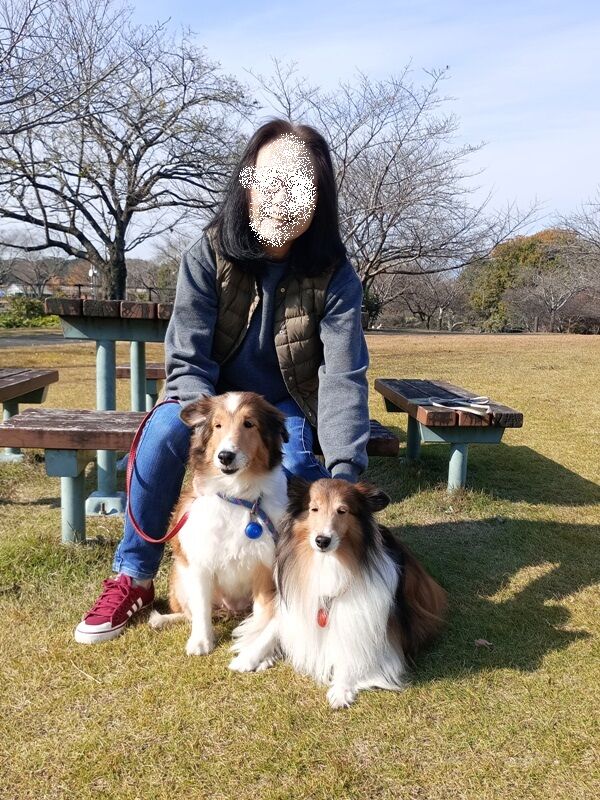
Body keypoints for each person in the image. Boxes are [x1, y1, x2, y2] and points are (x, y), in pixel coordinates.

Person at [74, 118, 370, 644]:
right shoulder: (207, 253)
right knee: (162, 433)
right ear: (248, 184)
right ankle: (134, 574)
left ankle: (294, 588)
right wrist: (210, 429)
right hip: (212, 401)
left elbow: (342, 375)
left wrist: (345, 470)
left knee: (301, 474)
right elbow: (186, 357)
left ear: (319, 198)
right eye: (271, 182)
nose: (282, 199)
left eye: (299, 186)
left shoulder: (336, 274)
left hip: (286, 408)